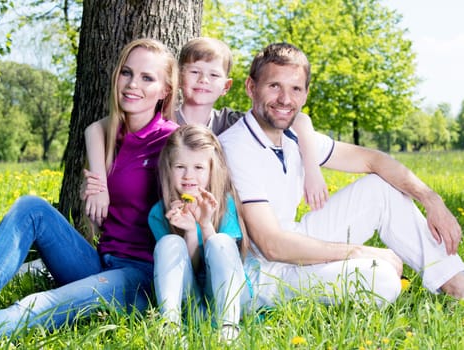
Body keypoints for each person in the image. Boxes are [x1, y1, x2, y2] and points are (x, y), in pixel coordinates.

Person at [0, 38, 179, 346]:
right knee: (31, 208)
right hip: (99, 262)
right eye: (127, 73)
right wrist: (96, 188)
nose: (132, 84)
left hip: (139, 279)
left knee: (39, 304)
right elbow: (98, 223)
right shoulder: (109, 135)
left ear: (165, 91)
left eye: (147, 78)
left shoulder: (171, 141)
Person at [218, 42, 464, 308]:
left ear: (305, 94)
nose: (285, 99)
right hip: (265, 274)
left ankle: (456, 282)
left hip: (295, 239)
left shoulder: (293, 136)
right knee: (380, 279)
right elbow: (271, 245)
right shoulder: (236, 147)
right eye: (274, 86)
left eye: (295, 89)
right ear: (251, 88)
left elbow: (374, 160)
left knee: (379, 189)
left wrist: (431, 200)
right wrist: (358, 252)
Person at [84, 37, 328, 227]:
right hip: (167, 219)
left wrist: (313, 170)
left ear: (226, 86)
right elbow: (98, 127)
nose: (203, 81)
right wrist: (99, 183)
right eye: (194, 72)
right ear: (178, 78)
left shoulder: (231, 122)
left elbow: (298, 119)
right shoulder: (164, 121)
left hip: (217, 219)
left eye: (213, 75)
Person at [149, 124, 250, 341]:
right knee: (169, 242)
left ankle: (228, 328)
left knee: (220, 240)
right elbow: (190, 271)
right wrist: (189, 233)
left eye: (198, 167)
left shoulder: (225, 205)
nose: (188, 175)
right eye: (180, 167)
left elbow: (224, 260)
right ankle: (170, 326)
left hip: (228, 298)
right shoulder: (159, 214)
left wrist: (205, 224)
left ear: (212, 169)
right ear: (168, 168)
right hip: (192, 303)